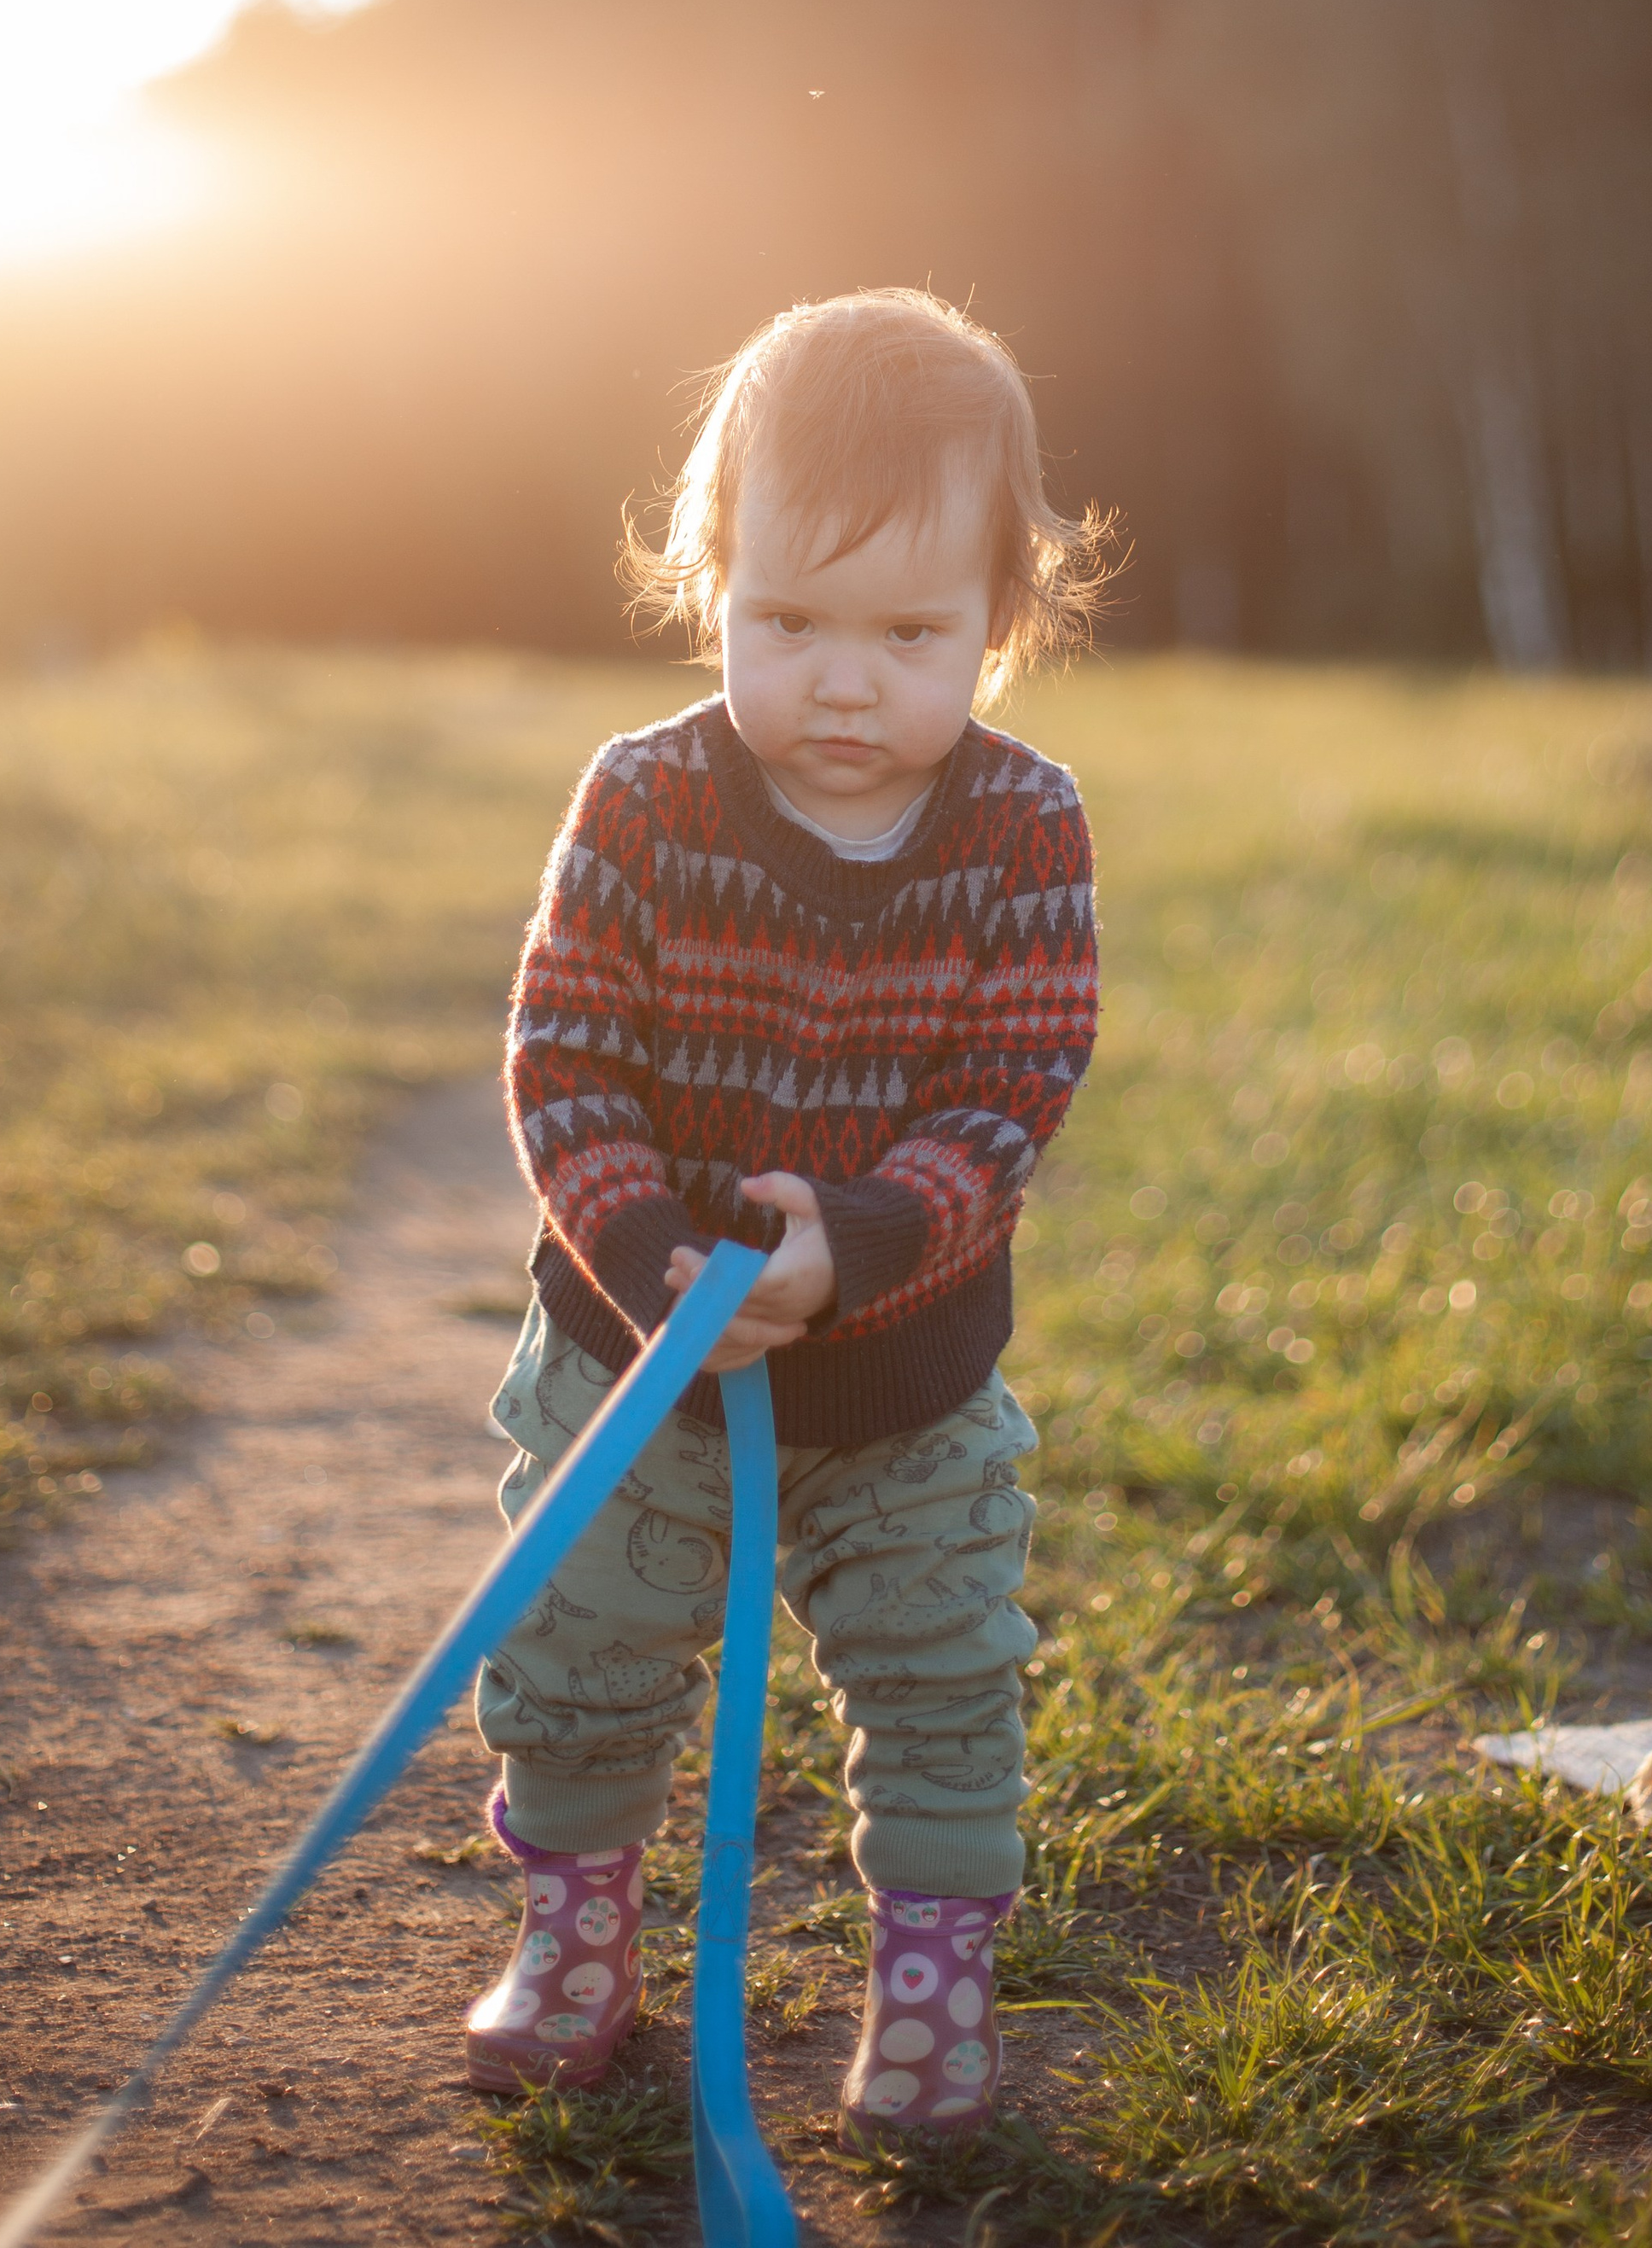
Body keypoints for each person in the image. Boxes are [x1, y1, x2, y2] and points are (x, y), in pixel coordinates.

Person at [464, 288, 1105, 2143]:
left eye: (908, 632)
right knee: (576, 1651)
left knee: (940, 1673)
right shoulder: (644, 801)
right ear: (707, 585)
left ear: (1003, 616)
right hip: (631, 1367)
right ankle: (574, 1936)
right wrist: (646, 1254)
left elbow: (1014, 1084)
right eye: (787, 623)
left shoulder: (1022, 830)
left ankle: (931, 1979)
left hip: (901, 1387)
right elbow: (561, 1054)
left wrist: (863, 1243)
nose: (842, 681)